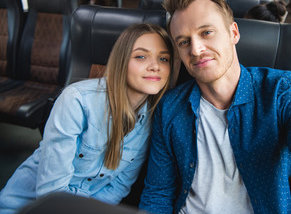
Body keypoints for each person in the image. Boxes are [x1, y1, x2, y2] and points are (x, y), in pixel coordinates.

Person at [138, 0, 291, 213]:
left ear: (233, 33)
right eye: (184, 42)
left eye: (206, 32)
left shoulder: (282, 90)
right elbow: (158, 194)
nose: (196, 50)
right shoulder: (170, 107)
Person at [0, 23, 174, 214]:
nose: (155, 66)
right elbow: (51, 192)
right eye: (141, 56)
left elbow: (119, 186)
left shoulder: (151, 119)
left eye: (163, 59)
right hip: (31, 207)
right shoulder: (77, 101)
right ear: (121, 61)